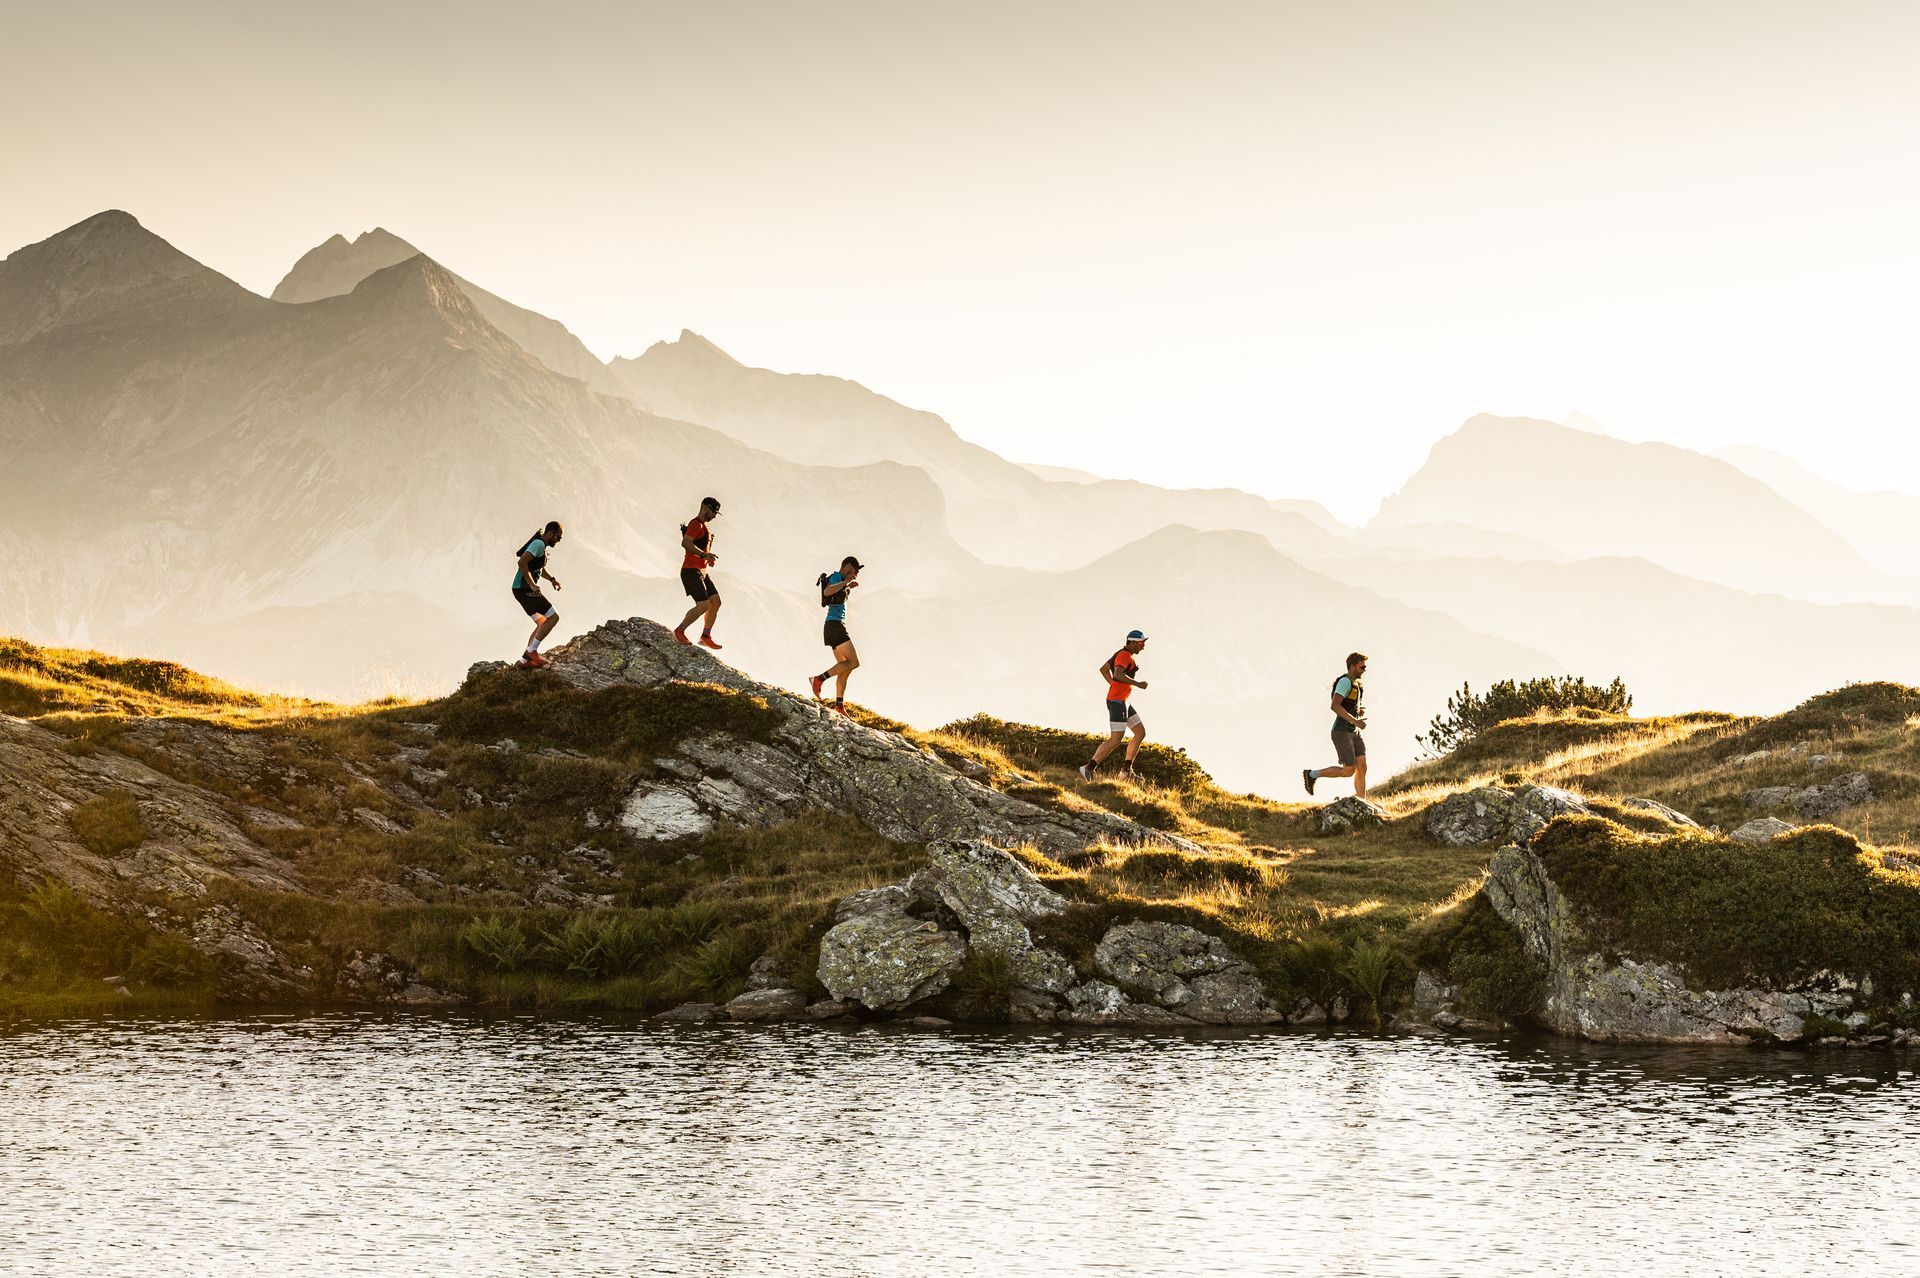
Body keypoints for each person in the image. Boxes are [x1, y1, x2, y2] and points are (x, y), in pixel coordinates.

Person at [1079, 631, 1149, 781]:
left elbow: (1104, 669)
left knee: (1140, 732)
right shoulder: (1124, 655)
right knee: (1116, 739)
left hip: (1123, 701)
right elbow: (1117, 674)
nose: (1143, 647)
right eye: (1141, 643)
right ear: (1132, 642)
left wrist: (1113, 685)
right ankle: (1088, 768)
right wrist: (1137, 684)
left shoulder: (1121, 654)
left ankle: (1126, 771)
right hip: (1117, 702)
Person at [1304, 651, 1369, 798]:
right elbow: (1335, 705)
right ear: (1352, 666)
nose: (1364, 670)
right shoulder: (1345, 682)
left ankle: (1362, 801)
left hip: (1353, 731)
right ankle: (1312, 775)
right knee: (1349, 770)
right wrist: (1355, 721)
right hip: (1341, 731)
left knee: (1362, 766)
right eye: (1362, 667)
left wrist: (1358, 711)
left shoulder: (1356, 684)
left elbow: (1347, 705)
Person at [808, 556, 864, 716]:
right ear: (847, 566)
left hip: (834, 626)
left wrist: (848, 586)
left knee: (845, 667)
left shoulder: (841, 580)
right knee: (854, 662)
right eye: (855, 570)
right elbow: (827, 591)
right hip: (835, 626)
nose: (856, 574)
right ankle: (818, 679)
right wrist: (846, 582)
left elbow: (836, 596)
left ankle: (839, 706)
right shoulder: (836, 577)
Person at [673, 496, 724, 649]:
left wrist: (707, 557)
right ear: (706, 508)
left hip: (701, 570)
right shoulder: (696, 525)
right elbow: (685, 543)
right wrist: (704, 555)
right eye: (714, 512)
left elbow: (698, 547)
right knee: (703, 605)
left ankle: (705, 636)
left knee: (715, 602)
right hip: (690, 571)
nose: (715, 515)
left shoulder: (704, 527)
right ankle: (680, 630)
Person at [512, 521, 564, 668]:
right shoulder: (539, 544)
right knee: (553, 616)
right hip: (524, 589)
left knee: (542, 622)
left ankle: (525, 660)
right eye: (558, 536)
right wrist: (532, 584)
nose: (559, 539)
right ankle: (531, 652)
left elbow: (539, 568)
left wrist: (552, 580)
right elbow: (522, 562)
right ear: (550, 533)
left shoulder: (542, 546)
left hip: (520, 589)